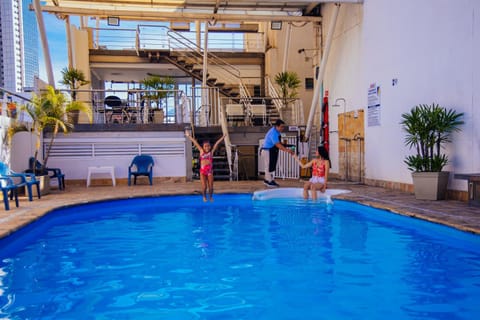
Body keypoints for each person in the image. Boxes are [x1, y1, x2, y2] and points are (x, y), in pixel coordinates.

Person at [186, 131, 226, 202]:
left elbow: (217, 143)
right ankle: (204, 196)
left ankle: (210, 197)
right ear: (203, 147)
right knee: (204, 186)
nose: (207, 147)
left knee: (211, 186)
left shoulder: (211, 152)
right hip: (203, 172)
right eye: (205, 146)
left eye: (208, 146)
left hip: (210, 172)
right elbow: (195, 142)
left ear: (210, 146)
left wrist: (223, 137)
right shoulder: (201, 151)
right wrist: (189, 136)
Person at [261, 119, 295, 188]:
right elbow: (277, 144)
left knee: (271, 166)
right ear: (277, 126)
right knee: (268, 166)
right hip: (267, 151)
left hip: (271, 151)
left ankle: (267, 179)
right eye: (281, 127)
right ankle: (269, 181)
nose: (282, 128)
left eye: (283, 127)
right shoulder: (274, 133)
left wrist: (287, 145)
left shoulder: (277, 132)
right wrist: (287, 150)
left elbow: (279, 143)